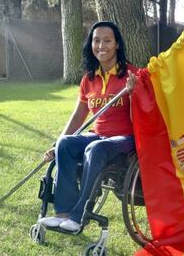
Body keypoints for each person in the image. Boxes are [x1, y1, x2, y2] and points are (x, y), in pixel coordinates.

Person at [39, 21, 137, 232]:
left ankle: (78, 216)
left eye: (107, 40)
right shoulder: (88, 79)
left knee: (95, 148)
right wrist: (55, 145)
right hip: (98, 134)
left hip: (125, 138)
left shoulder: (132, 75)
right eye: (96, 40)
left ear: (117, 44)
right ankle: (63, 212)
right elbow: (77, 117)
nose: (101, 45)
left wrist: (135, 92)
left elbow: (144, 114)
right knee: (65, 143)